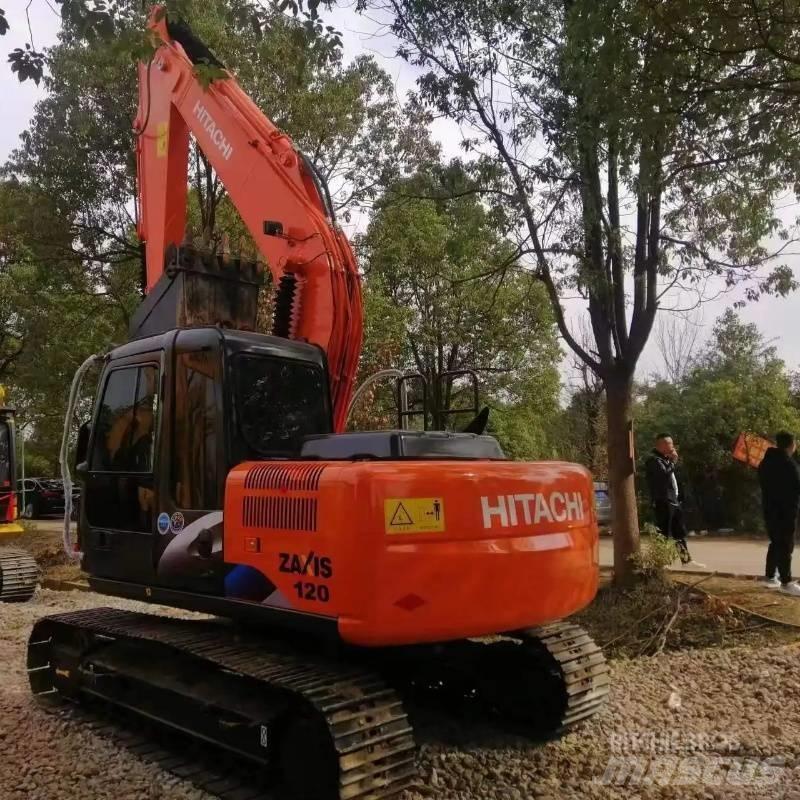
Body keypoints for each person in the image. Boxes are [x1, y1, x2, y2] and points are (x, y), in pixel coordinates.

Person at [645, 434, 703, 567]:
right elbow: (664, 475)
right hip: (662, 501)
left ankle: (686, 560)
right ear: (661, 445)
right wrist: (673, 462)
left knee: (679, 531)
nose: (672, 446)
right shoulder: (653, 461)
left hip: (673, 500)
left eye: (672, 443)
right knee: (664, 532)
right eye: (669, 444)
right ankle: (661, 562)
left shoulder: (666, 460)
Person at [757, 432, 800, 596]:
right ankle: (786, 581)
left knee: (775, 542)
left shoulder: (765, 463)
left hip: (769, 509)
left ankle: (770, 577)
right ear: (791, 444)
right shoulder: (789, 464)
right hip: (786, 511)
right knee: (785, 544)